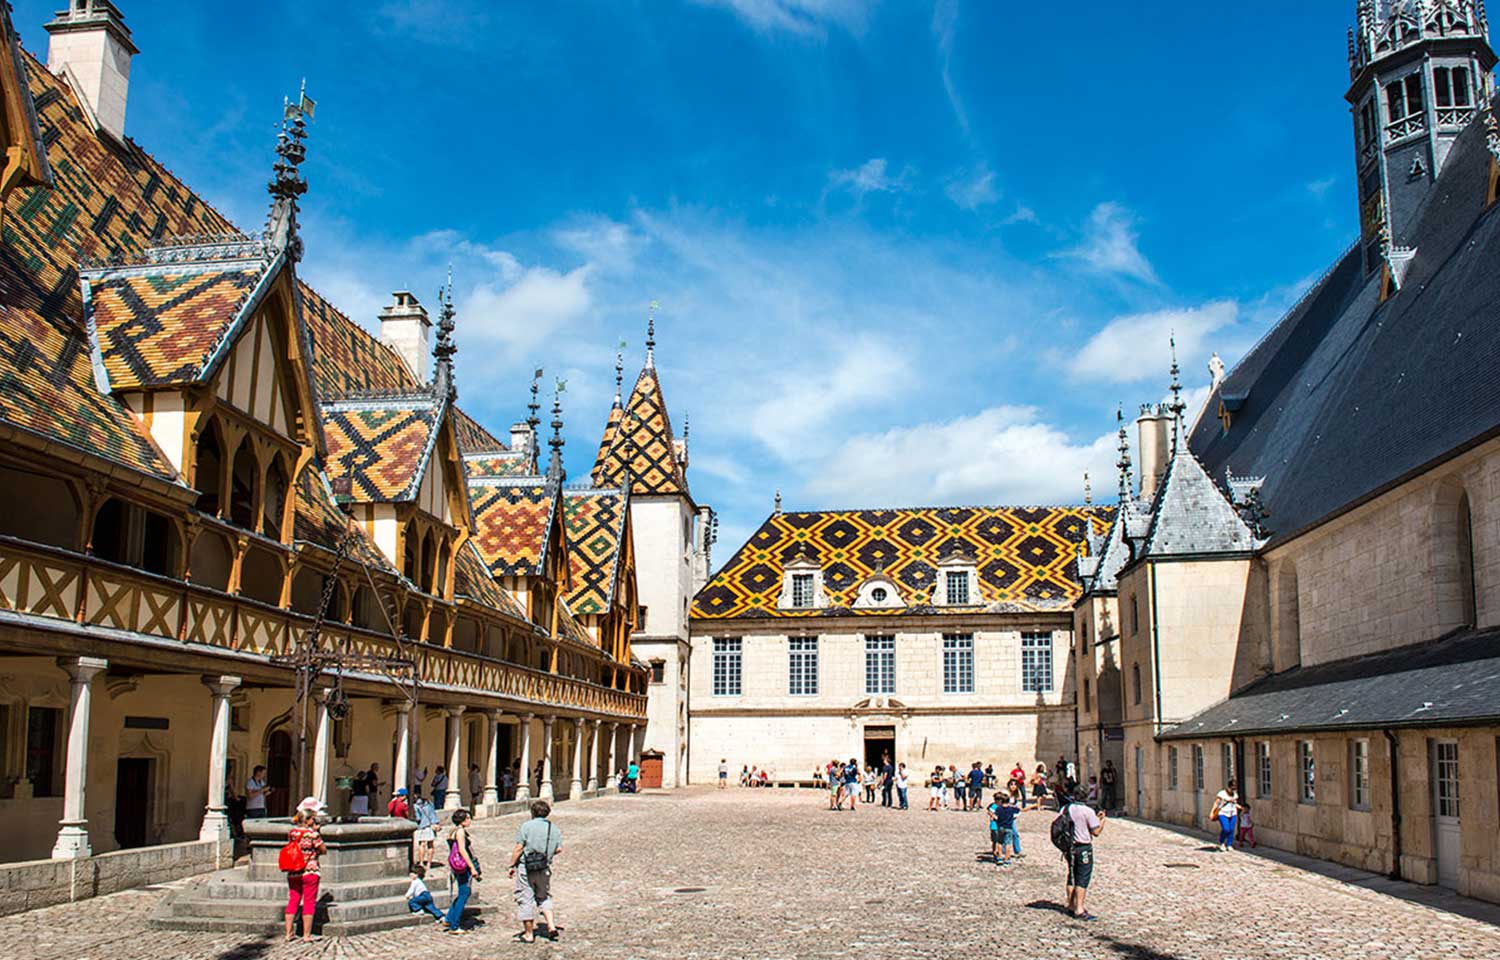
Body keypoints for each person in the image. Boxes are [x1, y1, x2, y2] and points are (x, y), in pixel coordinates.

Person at [509, 799, 564, 942]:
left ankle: (528, 934)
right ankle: (551, 926)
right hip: (544, 867)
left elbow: (519, 848)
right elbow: (558, 848)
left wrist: (511, 865)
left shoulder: (526, 826)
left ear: (532, 812)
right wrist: (547, 854)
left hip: (526, 867)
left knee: (525, 897)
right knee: (544, 896)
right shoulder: (554, 829)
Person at [283, 797, 327, 943]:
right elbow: (323, 849)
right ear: (308, 821)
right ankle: (307, 935)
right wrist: (315, 832)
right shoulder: (312, 835)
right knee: (308, 902)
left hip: (294, 871)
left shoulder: (292, 833)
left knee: (293, 899)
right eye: (313, 820)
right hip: (310, 871)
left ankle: (289, 933)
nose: (314, 823)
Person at [1063, 785, 1105, 920]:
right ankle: (1079, 909)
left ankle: (1070, 904)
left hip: (1069, 847)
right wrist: (1102, 821)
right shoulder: (1087, 811)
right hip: (1083, 847)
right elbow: (1096, 831)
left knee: (1071, 875)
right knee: (1082, 877)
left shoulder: (1065, 808)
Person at [444, 809, 481, 933]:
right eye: (468, 818)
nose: (470, 820)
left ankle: (449, 918)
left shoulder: (453, 830)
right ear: (463, 820)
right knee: (464, 893)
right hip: (463, 865)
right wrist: (472, 867)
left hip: (456, 864)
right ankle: (454, 924)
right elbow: (462, 850)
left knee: (462, 892)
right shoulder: (460, 832)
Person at [988, 791, 1023, 865]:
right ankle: (1007, 859)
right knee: (1008, 844)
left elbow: (994, 814)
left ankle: (1000, 857)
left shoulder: (999, 809)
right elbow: (1019, 811)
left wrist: (994, 817)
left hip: (1000, 827)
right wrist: (1013, 817)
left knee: (1000, 843)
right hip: (1009, 828)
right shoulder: (1011, 809)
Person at [1211, 779, 1241, 851]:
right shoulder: (1222, 793)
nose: (1234, 789)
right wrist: (1212, 811)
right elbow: (1217, 803)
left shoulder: (1235, 794)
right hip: (1223, 813)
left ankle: (1229, 844)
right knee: (1226, 829)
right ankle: (1221, 842)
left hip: (1232, 813)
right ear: (1230, 786)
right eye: (1233, 787)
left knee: (1231, 829)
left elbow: (1234, 803)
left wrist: (1240, 807)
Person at [412, 790, 439, 869]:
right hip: (431, 825)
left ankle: (421, 862)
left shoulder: (416, 806)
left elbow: (418, 818)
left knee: (422, 845)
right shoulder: (429, 803)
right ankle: (429, 863)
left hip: (422, 826)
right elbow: (433, 813)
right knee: (430, 845)